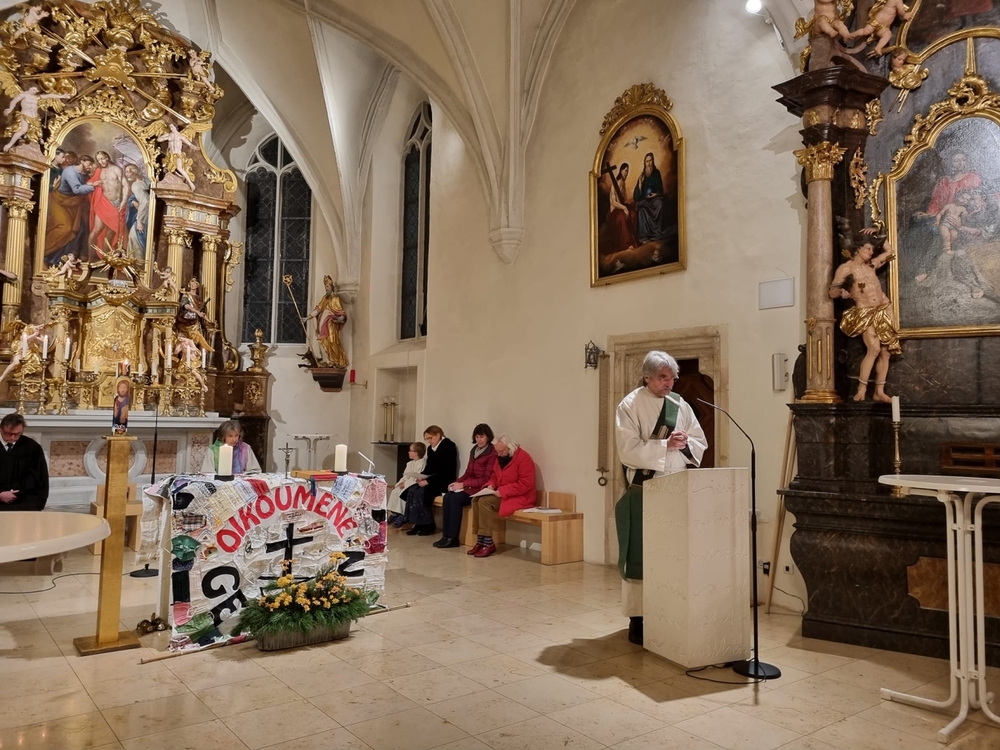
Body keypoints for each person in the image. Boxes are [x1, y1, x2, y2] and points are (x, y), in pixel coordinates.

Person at [615, 351, 707, 644]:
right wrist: (664, 445)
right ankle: (638, 618)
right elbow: (627, 449)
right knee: (640, 554)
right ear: (647, 377)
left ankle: (669, 611)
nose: (669, 383)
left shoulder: (679, 404)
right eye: (662, 377)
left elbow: (699, 441)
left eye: (672, 378)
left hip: (676, 487)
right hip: (645, 488)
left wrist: (684, 443)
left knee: (672, 553)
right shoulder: (629, 405)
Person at [829, 228, 902, 402]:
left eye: (872, 249)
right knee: (874, 348)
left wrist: (877, 233)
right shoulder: (846, 268)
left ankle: (879, 391)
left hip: (883, 308)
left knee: (886, 352)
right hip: (865, 310)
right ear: (858, 249)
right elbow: (832, 291)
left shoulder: (872, 265)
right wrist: (841, 293)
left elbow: (889, 251)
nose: (871, 252)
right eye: (868, 249)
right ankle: (861, 389)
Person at [466, 434, 536, 559]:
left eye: (501, 451)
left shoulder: (523, 458)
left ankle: (488, 542)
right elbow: (494, 475)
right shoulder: (500, 458)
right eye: (497, 451)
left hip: (520, 497)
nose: (498, 454)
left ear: (510, 448)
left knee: (485, 502)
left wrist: (503, 491)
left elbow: (525, 484)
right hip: (502, 493)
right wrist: (491, 485)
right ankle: (480, 539)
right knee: (476, 500)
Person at [434, 423, 497, 548]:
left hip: (480, 488)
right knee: (448, 496)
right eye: (477, 437)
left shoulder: (492, 453)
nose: (479, 440)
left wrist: (463, 484)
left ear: (488, 437)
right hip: (469, 486)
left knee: (455, 499)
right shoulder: (474, 450)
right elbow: (468, 472)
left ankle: (453, 537)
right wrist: (456, 482)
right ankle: (446, 535)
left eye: (482, 437)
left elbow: (486, 478)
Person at [401, 425, 458, 535]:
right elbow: (430, 467)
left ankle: (429, 524)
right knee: (412, 490)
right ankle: (417, 523)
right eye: (427, 439)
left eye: (430, 438)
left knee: (421, 492)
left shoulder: (448, 446)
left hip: (443, 480)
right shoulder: (430, 449)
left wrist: (428, 481)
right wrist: (421, 476)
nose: (429, 441)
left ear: (438, 435)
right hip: (433, 479)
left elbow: (445, 469)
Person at [44, 154, 96, 264]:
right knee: (64, 228)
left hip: (72, 205)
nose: (90, 167)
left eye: (91, 165)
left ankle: (57, 259)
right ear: (82, 161)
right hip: (60, 202)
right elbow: (76, 189)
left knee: (74, 230)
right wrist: (93, 186)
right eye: (89, 164)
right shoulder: (70, 172)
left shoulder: (83, 174)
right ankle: (43, 252)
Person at [0, 414, 49, 512]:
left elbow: (40, 479)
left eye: (17, 434)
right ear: (1, 429)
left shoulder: (32, 447)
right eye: (8, 433)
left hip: (23, 501)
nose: (12, 437)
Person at [87, 150, 126, 251]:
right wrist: (94, 184)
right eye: (99, 160)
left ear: (107, 158)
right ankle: (91, 258)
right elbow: (89, 183)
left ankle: (105, 257)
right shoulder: (99, 171)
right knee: (96, 230)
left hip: (115, 203)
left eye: (103, 158)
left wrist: (123, 201)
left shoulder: (116, 169)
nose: (101, 161)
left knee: (111, 232)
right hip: (103, 203)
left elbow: (126, 185)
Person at [308, 275, 349, 367]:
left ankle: (336, 361)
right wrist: (308, 317)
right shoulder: (325, 298)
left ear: (331, 287)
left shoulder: (336, 298)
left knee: (332, 341)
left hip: (332, 324)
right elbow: (318, 309)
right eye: (325, 286)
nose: (326, 288)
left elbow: (341, 312)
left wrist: (341, 318)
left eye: (327, 286)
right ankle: (328, 360)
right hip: (323, 324)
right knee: (323, 341)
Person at [632, 152, 672, 245]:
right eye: (647, 161)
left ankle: (657, 231)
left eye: (650, 161)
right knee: (641, 210)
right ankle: (644, 236)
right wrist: (640, 184)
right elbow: (636, 197)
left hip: (654, 198)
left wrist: (655, 194)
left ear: (653, 161)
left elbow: (660, 189)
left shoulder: (656, 173)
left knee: (660, 204)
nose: (649, 163)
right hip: (644, 200)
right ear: (644, 163)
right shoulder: (642, 176)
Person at [387, 442, 426, 526]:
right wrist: (398, 484)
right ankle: (395, 514)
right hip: (406, 483)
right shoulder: (410, 464)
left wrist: (405, 484)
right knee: (395, 491)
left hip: (414, 485)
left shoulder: (422, 463)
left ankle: (403, 515)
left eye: (410, 450)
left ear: (416, 453)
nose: (408, 452)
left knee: (403, 493)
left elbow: (417, 478)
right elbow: (405, 476)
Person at [605, 163, 636, 254]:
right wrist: (624, 208)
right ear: (621, 171)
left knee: (633, 213)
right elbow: (614, 203)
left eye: (627, 171)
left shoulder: (623, 182)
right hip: (614, 211)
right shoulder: (615, 184)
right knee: (622, 218)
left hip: (621, 207)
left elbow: (624, 198)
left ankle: (635, 238)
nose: (626, 173)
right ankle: (626, 244)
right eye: (625, 170)